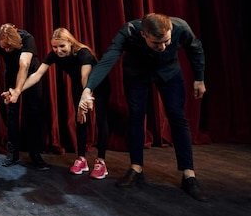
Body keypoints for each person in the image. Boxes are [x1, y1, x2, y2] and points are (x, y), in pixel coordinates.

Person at [78, 13, 209, 201]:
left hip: (169, 73)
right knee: (136, 117)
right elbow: (108, 59)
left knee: (177, 117)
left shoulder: (180, 26)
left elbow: (195, 48)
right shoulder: (129, 31)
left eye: (167, 41)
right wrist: (88, 88)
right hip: (137, 74)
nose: (163, 47)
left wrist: (199, 78)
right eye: (157, 43)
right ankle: (136, 168)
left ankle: (189, 175)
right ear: (144, 35)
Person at [20, 27, 111, 179]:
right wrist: (18, 90)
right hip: (79, 86)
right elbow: (37, 75)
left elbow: (85, 77)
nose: (58, 50)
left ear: (70, 42)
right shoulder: (54, 55)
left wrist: (85, 97)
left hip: (98, 86)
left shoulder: (83, 53)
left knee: (101, 121)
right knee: (80, 120)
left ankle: (101, 161)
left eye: (62, 46)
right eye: (55, 46)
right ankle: (81, 158)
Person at [0, 23, 50, 170]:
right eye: (4, 47)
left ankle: (35, 154)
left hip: (31, 75)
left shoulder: (27, 39)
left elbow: (24, 65)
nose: (6, 50)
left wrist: (17, 91)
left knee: (34, 113)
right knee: (12, 113)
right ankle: (13, 153)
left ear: (16, 42)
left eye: (9, 47)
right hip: (12, 74)